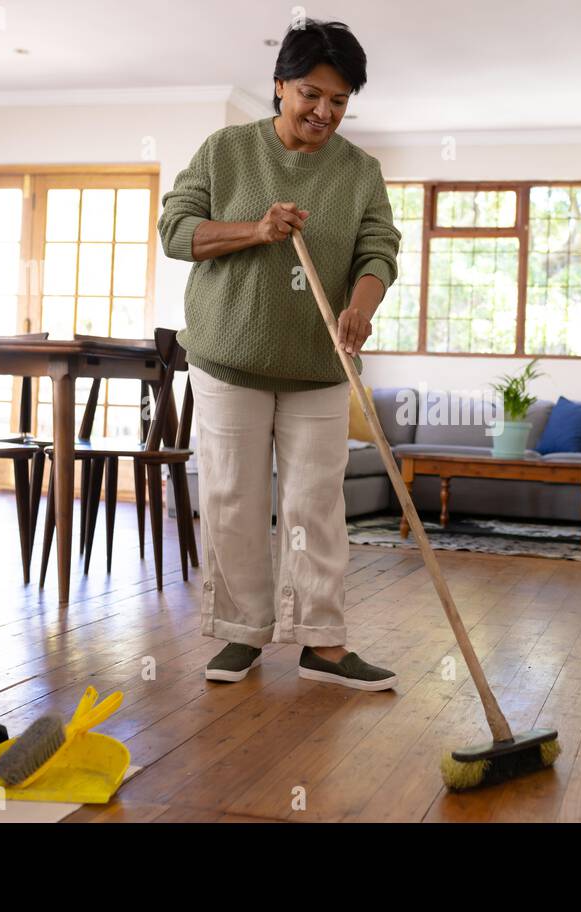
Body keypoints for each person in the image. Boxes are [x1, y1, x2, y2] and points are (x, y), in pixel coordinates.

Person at [157, 19, 401, 691]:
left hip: (319, 366)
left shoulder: (359, 172)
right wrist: (256, 228)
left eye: (339, 99)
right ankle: (241, 635)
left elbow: (379, 250)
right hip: (228, 360)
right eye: (310, 93)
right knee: (234, 498)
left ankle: (322, 643)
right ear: (280, 87)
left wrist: (361, 306)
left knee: (315, 504)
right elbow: (176, 231)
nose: (323, 111)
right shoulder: (226, 151)